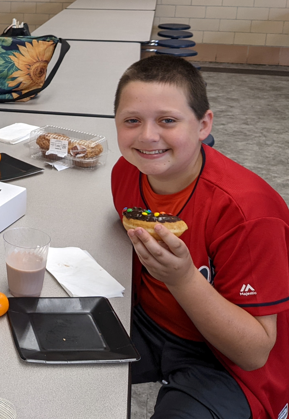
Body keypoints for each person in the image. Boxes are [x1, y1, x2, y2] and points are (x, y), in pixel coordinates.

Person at [111, 55, 289, 419]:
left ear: (204, 124)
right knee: (58, 361)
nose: (147, 136)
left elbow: (255, 352)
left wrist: (183, 277)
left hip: (228, 363)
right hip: (152, 323)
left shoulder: (248, 212)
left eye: (167, 120)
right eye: (132, 121)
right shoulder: (126, 172)